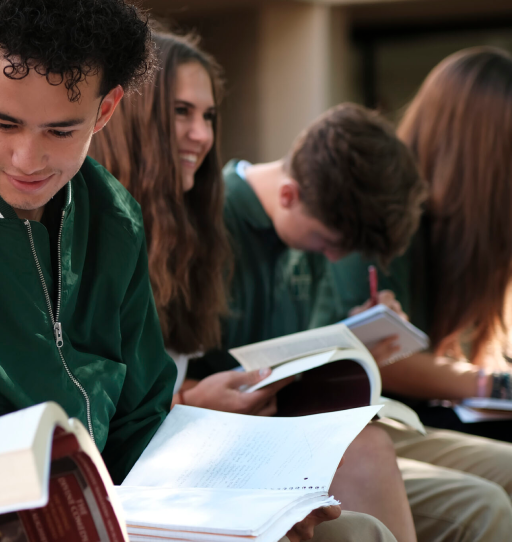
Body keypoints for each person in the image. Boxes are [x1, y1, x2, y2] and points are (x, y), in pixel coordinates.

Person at [0, 2, 396, 540]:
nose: (30, 159)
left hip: (130, 505)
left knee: (351, 527)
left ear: (105, 111)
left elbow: (141, 417)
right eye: (5, 123)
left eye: (61, 130)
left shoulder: (112, 215)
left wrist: (258, 499)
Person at [88, 32, 418, 542]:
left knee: (367, 503)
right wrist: (193, 402)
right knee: (362, 502)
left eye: (208, 116)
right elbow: (109, 408)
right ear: (122, 113)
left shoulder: (182, 228)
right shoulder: (103, 228)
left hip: (191, 438)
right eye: (181, 112)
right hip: (147, 465)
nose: (201, 134)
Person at [186, 101, 512, 542]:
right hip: (251, 441)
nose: (335, 257)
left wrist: (359, 342)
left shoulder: (308, 229)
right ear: (289, 196)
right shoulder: (208, 225)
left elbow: (308, 353)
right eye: (330, 242)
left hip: (322, 425)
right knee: (465, 500)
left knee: (490, 488)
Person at [324, 47, 512, 445]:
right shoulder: (380, 214)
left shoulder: (466, 228)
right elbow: (381, 358)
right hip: (366, 422)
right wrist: (495, 385)